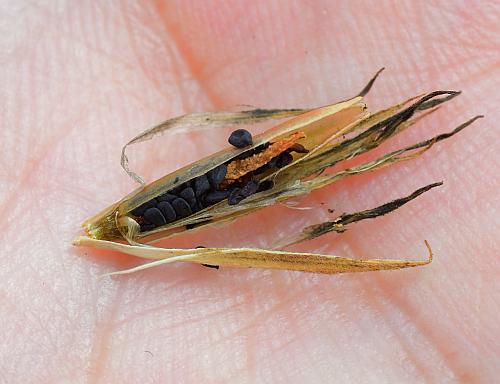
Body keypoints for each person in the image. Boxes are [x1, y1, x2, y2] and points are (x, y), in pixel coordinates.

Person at [1, 2, 498, 382]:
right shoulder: (135, 225)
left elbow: (223, 177)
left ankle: (417, 116)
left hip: (222, 191)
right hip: (200, 202)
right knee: (224, 184)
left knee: (232, 179)